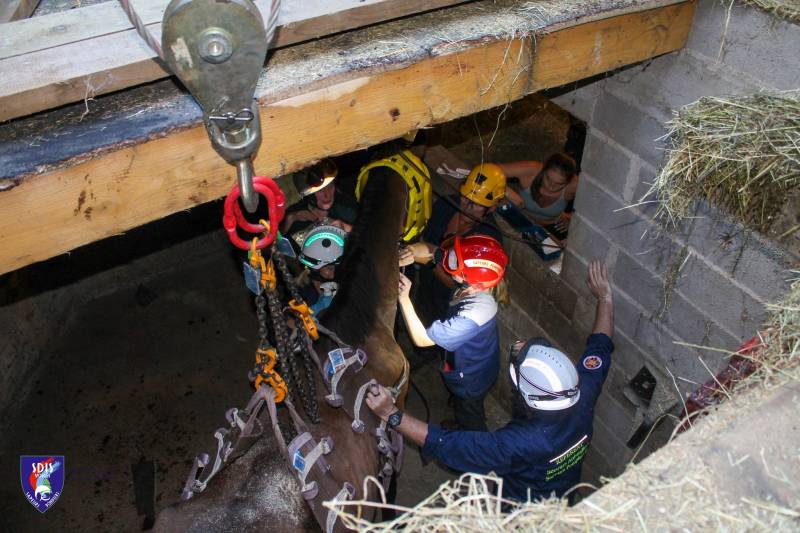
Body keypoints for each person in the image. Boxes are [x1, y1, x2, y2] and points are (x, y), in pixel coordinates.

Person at [367, 259, 614, 503]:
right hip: (565, 493)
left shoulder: (517, 444)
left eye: (518, 359)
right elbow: (600, 345)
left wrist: (391, 414)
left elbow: (447, 444)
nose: (517, 345)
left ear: (527, 396)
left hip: (522, 509)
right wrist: (605, 297)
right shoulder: (584, 393)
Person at [397, 234, 508, 431]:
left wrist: (404, 298)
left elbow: (423, 340)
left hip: (470, 379)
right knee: (462, 404)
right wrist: (411, 252)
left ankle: (471, 446)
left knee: (470, 414)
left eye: (457, 264)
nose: (449, 261)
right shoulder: (477, 282)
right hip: (470, 363)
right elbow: (432, 252)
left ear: (471, 279)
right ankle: (460, 420)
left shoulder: (476, 312)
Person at [400, 162, 507, 323]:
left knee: (432, 340)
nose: (467, 207)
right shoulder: (445, 205)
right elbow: (424, 236)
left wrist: (429, 260)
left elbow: (460, 286)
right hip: (424, 287)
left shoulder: (487, 241)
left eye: (477, 204)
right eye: (465, 198)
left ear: (492, 207)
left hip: (447, 304)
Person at [499, 153, 579, 241]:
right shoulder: (532, 169)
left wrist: (572, 219)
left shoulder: (575, 185)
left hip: (551, 227)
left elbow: (594, 207)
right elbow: (488, 170)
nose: (551, 186)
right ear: (543, 170)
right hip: (518, 217)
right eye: (548, 178)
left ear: (568, 182)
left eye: (559, 184)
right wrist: (507, 191)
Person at [281, 158, 359, 248]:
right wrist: (290, 219)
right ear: (310, 194)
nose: (327, 195)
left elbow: (370, 233)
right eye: (320, 191)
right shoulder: (296, 211)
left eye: (330, 186)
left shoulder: (346, 206)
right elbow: (275, 248)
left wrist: (346, 227)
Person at [296, 224, 347, 316]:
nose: (334, 273)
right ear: (314, 269)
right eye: (330, 268)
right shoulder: (301, 294)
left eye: (338, 267)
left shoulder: (345, 289)